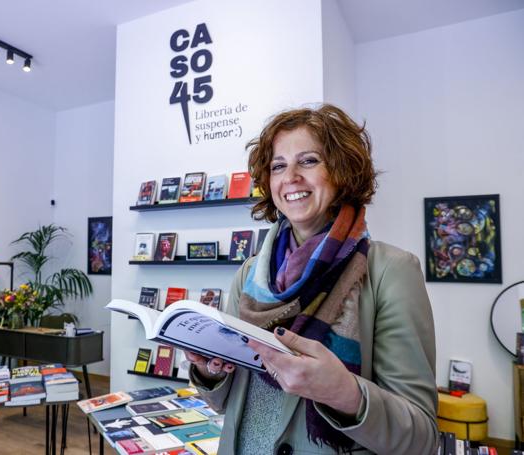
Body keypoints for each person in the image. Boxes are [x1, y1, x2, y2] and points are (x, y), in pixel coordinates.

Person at [185, 104, 438, 454]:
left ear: (341, 171)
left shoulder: (390, 272)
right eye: (278, 166)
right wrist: (210, 372)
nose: (290, 177)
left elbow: (421, 437)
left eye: (308, 160)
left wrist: (344, 392)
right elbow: (228, 401)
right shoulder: (249, 274)